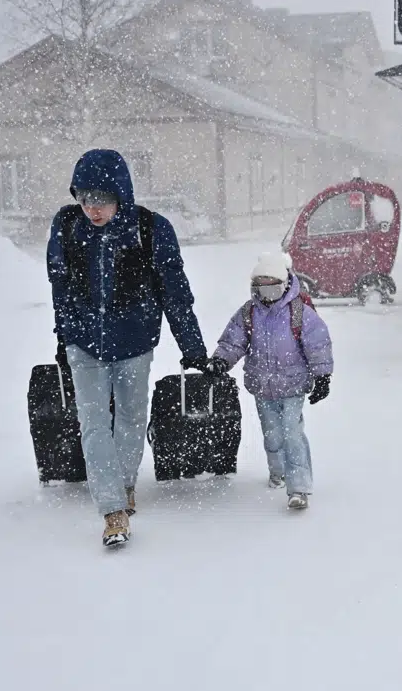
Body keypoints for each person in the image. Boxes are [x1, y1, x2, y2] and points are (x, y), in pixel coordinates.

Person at [48, 149, 209, 547]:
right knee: (93, 422)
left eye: (102, 198)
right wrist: (64, 336)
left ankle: (124, 484)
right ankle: (112, 509)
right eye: (84, 198)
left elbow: (175, 293)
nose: (92, 208)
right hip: (84, 343)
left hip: (135, 342)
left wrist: (192, 346)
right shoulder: (67, 226)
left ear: (121, 194)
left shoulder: (150, 229)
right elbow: (60, 287)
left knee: (132, 417)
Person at [209, 253, 333, 510]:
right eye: (261, 288)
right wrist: (221, 360)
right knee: (272, 434)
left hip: (293, 385)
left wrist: (322, 377)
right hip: (262, 387)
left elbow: (318, 344)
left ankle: (298, 487)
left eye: (273, 288)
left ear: (285, 285)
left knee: (292, 433)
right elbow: (233, 341)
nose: (267, 295)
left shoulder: (300, 313)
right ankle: (278, 472)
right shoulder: (249, 313)